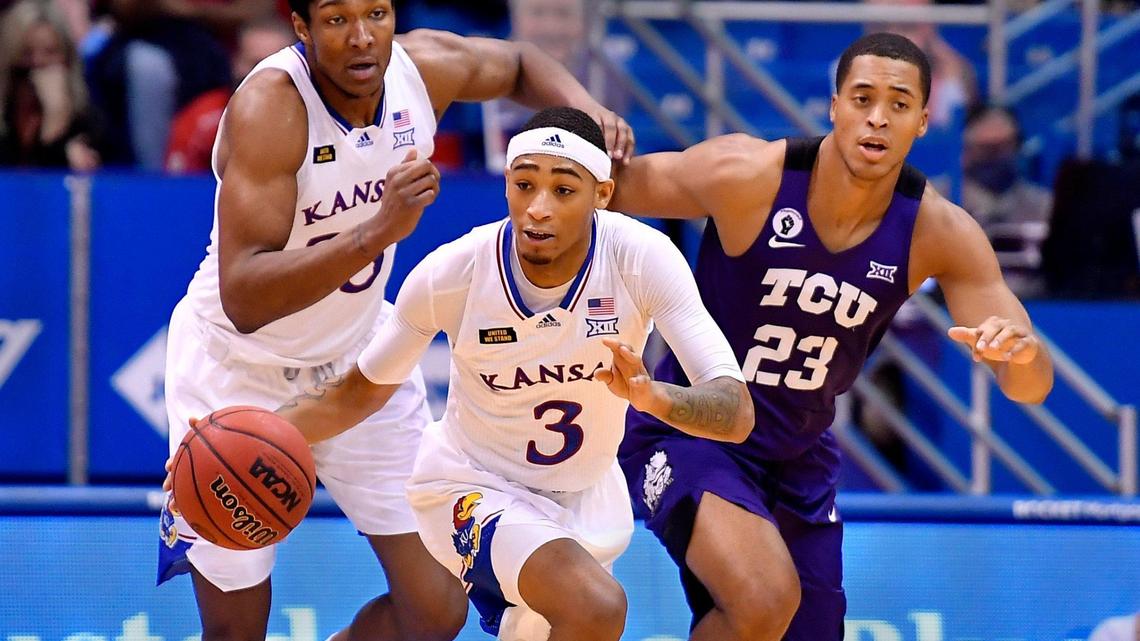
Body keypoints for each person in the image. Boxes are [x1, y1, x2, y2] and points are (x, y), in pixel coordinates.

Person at [156, 1, 636, 640]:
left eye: (376, 13)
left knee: (437, 608)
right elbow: (244, 296)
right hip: (237, 373)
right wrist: (373, 233)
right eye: (335, 20)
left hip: (361, 364)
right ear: (301, 26)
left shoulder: (420, 71)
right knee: (236, 628)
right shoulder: (271, 106)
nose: (361, 38)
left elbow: (520, 63)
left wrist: (584, 119)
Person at [612, 32, 1055, 641]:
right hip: (692, 427)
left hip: (798, 453)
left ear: (924, 121)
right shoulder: (750, 175)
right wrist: (592, 141)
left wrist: (1021, 353)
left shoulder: (940, 231)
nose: (877, 117)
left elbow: (1028, 386)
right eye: (862, 98)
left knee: (797, 625)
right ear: (834, 106)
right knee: (765, 597)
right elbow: (609, 185)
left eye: (899, 104)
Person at [260, 107, 752, 641]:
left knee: (570, 614)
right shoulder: (454, 273)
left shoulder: (641, 258)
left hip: (584, 500)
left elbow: (736, 412)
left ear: (602, 195)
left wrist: (653, 397)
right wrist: (243, 430)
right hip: (470, 486)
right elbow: (354, 395)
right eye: (524, 185)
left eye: (563, 191)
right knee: (595, 605)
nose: (538, 209)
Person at [961, 105, 1052, 299]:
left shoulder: (1045, 205)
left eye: (1004, 147)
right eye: (986, 148)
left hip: (1035, 306)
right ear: (965, 150)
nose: (995, 157)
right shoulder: (932, 201)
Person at [0, 0, 100, 170]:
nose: (37, 63)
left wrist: (55, 120)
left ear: (67, 59)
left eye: (50, 52)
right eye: (26, 53)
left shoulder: (88, 123)